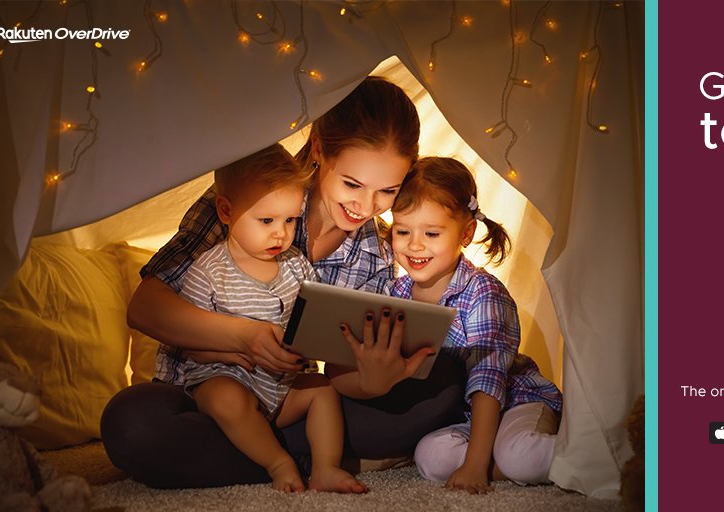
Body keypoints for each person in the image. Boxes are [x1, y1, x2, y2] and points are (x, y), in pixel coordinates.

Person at [101, 77, 466, 489]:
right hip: (206, 398)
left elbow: (341, 373)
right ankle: (304, 457)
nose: (366, 207)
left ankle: (278, 456)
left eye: (387, 191)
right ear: (318, 151)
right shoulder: (250, 193)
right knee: (131, 423)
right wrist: (244, 337)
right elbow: (145, 307)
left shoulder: (376, 252)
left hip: (293, 401)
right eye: (351, 184)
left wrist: (372, 380)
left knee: (445, 382)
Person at [340, 157, 562, 494]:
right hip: (464, 417)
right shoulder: (395, 293)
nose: (415, 245)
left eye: (431, 233)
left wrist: (474, 465)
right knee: (429, 457)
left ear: (466, 232)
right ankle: (493, 459)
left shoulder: (482, 292)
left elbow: (488, 383)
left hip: (516, 402)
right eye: (403, 231)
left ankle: (587, 450)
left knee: (519, 457)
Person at [175, 144, 365, 493]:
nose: (281, 233)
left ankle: (325, 467)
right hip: (229, 381)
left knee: (323, 390)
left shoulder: (296, 266)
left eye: (290, 220)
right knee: (225, 398)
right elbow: (191, 346)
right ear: (226, 211)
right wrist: (234, 353)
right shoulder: (209, 271)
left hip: (280, 387)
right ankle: (279, 462)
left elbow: (312, 325)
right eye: (267, 221)